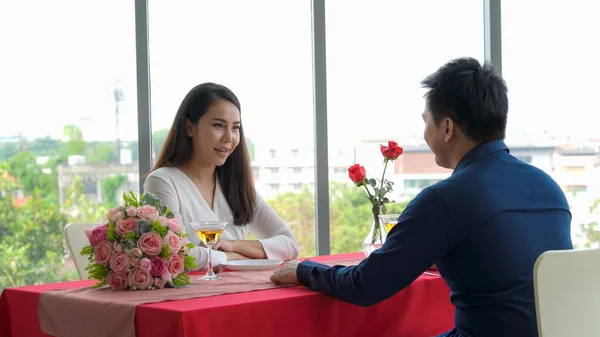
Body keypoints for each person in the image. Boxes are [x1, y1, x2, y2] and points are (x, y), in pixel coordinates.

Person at [270, 57, 573, 337]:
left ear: (447, 127)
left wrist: (303, 269)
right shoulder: (548, 187)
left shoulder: (446, 199)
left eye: (426, 121)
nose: (424, 133)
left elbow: (365, 285)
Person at [144, 82, 300, 271]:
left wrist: (233, 246)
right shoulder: (163, 181)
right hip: (189, 298)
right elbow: (177, 253)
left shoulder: (236, 186)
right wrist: (236, 258)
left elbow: (290, 245)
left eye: (235, 128)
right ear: (189, 127)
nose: (229, 138)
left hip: (239, 293)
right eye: (219, 125)